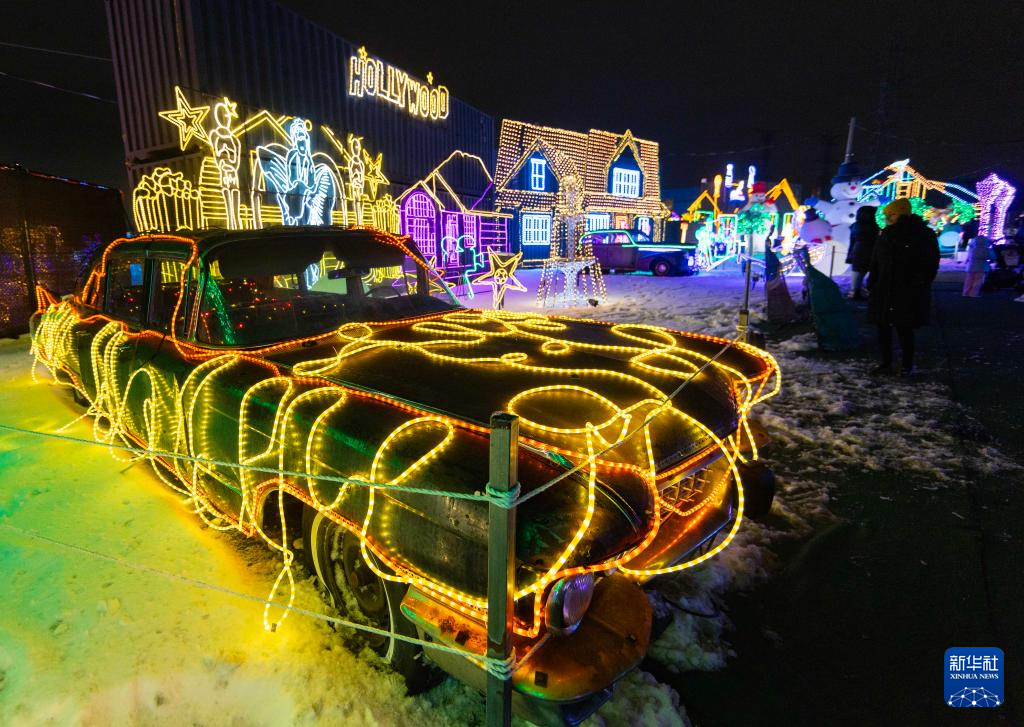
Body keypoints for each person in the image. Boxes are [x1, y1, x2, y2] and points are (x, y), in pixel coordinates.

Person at [867, 198, 940, 376]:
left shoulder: (922, 234)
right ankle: (886, 362)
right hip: (884, 287)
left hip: (907, 289)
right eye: (886, 215)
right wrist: (873, 280)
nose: (887, 218)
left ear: (900, 214)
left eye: (890, 215)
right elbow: (876, 259)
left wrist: (921, 282)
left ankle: (906, 365)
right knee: (883, 326)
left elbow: (930, 262)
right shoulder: (885, 233)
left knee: (903, 327)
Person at [846, 205, 880, 300]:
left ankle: (855, 291)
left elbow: (852, 240)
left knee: (858, 272)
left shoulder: (857, 225)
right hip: (865, 250)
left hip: (858, 250)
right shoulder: (870, 226)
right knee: (860, 272)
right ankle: (856, 291)